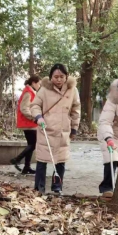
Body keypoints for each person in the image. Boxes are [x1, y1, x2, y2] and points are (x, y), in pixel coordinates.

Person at [31, 64, 81, 194]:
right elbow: (35, 105)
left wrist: (74, 128)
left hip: (63, 131)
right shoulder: (43, 90)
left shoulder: (72, 90)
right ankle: (39, 188)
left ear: (66, 77)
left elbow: (76, 110)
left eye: (61, 77)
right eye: (56, 77)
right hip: (45, 129)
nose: (58, 80)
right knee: (42, 160)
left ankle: (57, 187)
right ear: (51, 77)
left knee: (60, 160)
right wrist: (38, 117)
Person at [11, 75, 41, 174]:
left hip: (29, 122)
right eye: (39, 83)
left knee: (31, 144)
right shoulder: (28, 92)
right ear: (33, 83)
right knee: (34, 144)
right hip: (28, 122)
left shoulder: (30, 91)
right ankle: (17, 159)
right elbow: (24, 108)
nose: (39, 86)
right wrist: (34, 118)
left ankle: (26, 167)